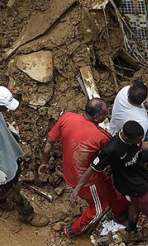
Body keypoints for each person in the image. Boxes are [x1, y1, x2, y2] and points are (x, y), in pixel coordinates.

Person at [41, 98, 131, 237]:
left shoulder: (67, 117)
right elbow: (111, 156)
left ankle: (122, 209)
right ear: (96, 117)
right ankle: (74, 230)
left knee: (108, 189)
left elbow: (49, 141)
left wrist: (44, 162)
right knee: (98, 207)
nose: (107, 117)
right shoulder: (101, 136)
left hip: (70, 170)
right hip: (86, 179)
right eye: (105, 115)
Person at [71, 120, 148, 241]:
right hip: (130, 184)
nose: (139, 142)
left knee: (135, 204)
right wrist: (77, 189)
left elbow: (140, 146)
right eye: (138, 140)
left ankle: (131, 230)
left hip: (139, 176)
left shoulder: (133, 140)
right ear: (127, 138)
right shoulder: (111, 149)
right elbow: (92, 168)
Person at [0, 86, 44, 226]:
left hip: (7, 151)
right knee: (12, 188)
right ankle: (26, 213)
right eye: (5, 107)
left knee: (15, 173)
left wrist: (8, 131)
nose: (7, 110)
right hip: (1, 164)